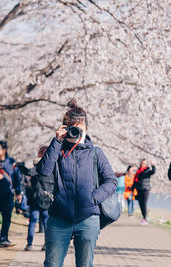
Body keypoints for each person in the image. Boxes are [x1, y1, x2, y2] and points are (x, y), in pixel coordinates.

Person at [38, 98, 117, 267]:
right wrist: (57, 141)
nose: (75, 132)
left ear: (86, 128)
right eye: (71, 128)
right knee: (51, 264)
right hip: (59, 217)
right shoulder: (57, 151)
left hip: (87, 218)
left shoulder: (96, 153)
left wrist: (92, 199)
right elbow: (43, 172)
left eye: (79, 128)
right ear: (65, 129)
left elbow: (111, 181)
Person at [17, 146, 51, 251]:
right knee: (46, 222)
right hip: (47, 199)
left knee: (33, 222)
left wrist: (19, 165)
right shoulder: (52, 165)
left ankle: (30, 244)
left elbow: (29, 172)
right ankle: (47, 244)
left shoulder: (38, 164)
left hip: (36, 198)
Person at [133, 159, 155, 225]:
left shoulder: (147, 171)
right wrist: (132, 188)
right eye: (142, 163)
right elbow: (135, 181)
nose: (142, 164)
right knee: (140, 204)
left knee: (144, 203)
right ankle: (143, 217)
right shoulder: (138, 171)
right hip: (139, 189)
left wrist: (153, 165)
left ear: (146, 164)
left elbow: (153, 171)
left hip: (145, 189)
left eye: (144, 163)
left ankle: (145, 219)